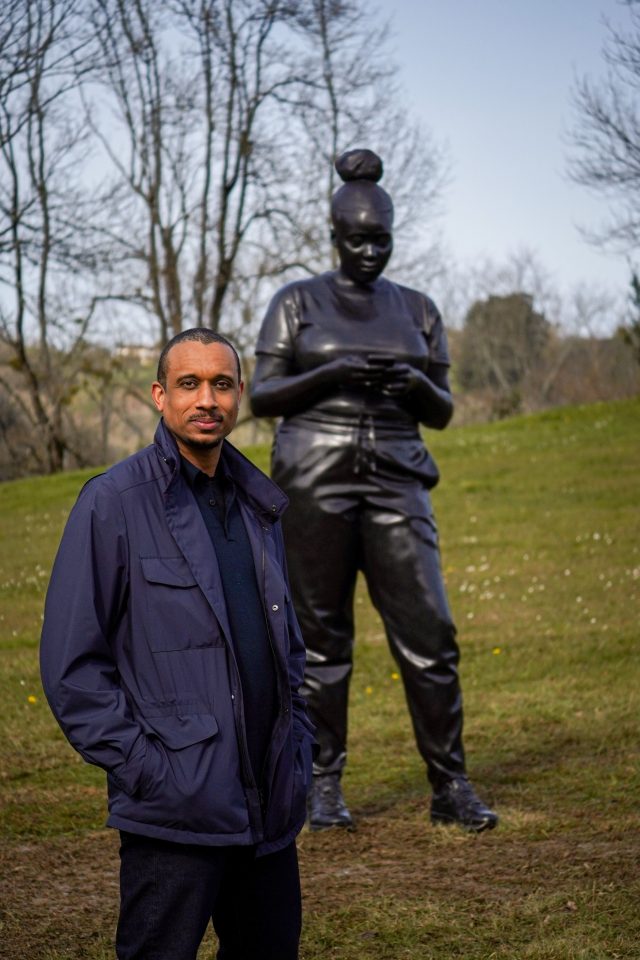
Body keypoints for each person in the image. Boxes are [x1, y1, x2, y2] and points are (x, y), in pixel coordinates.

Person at [40, 329, 315, 960]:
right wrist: (150, 773)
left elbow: (288, 646)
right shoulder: (112, 502)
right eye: (189, 384)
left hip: (267, 808)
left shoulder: (257, 503)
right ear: (160, 395)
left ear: (238, 393)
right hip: (175, 812)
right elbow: (71, 667)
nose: (207, 399)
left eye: (221, 383)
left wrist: (298, 745)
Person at [250, 148, 497, 834]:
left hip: (397, 479)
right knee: (320, 639)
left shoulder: (418, 309)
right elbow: (263, 396)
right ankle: (322, 785)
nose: (368, 251)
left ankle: (450, 783)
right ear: (334, 237)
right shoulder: (295, 302)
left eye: (380, 239)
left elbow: (442, 409)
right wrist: (329, 377)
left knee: (430, 631)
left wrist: (415, 387)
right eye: (356, 239)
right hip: (313, 480)